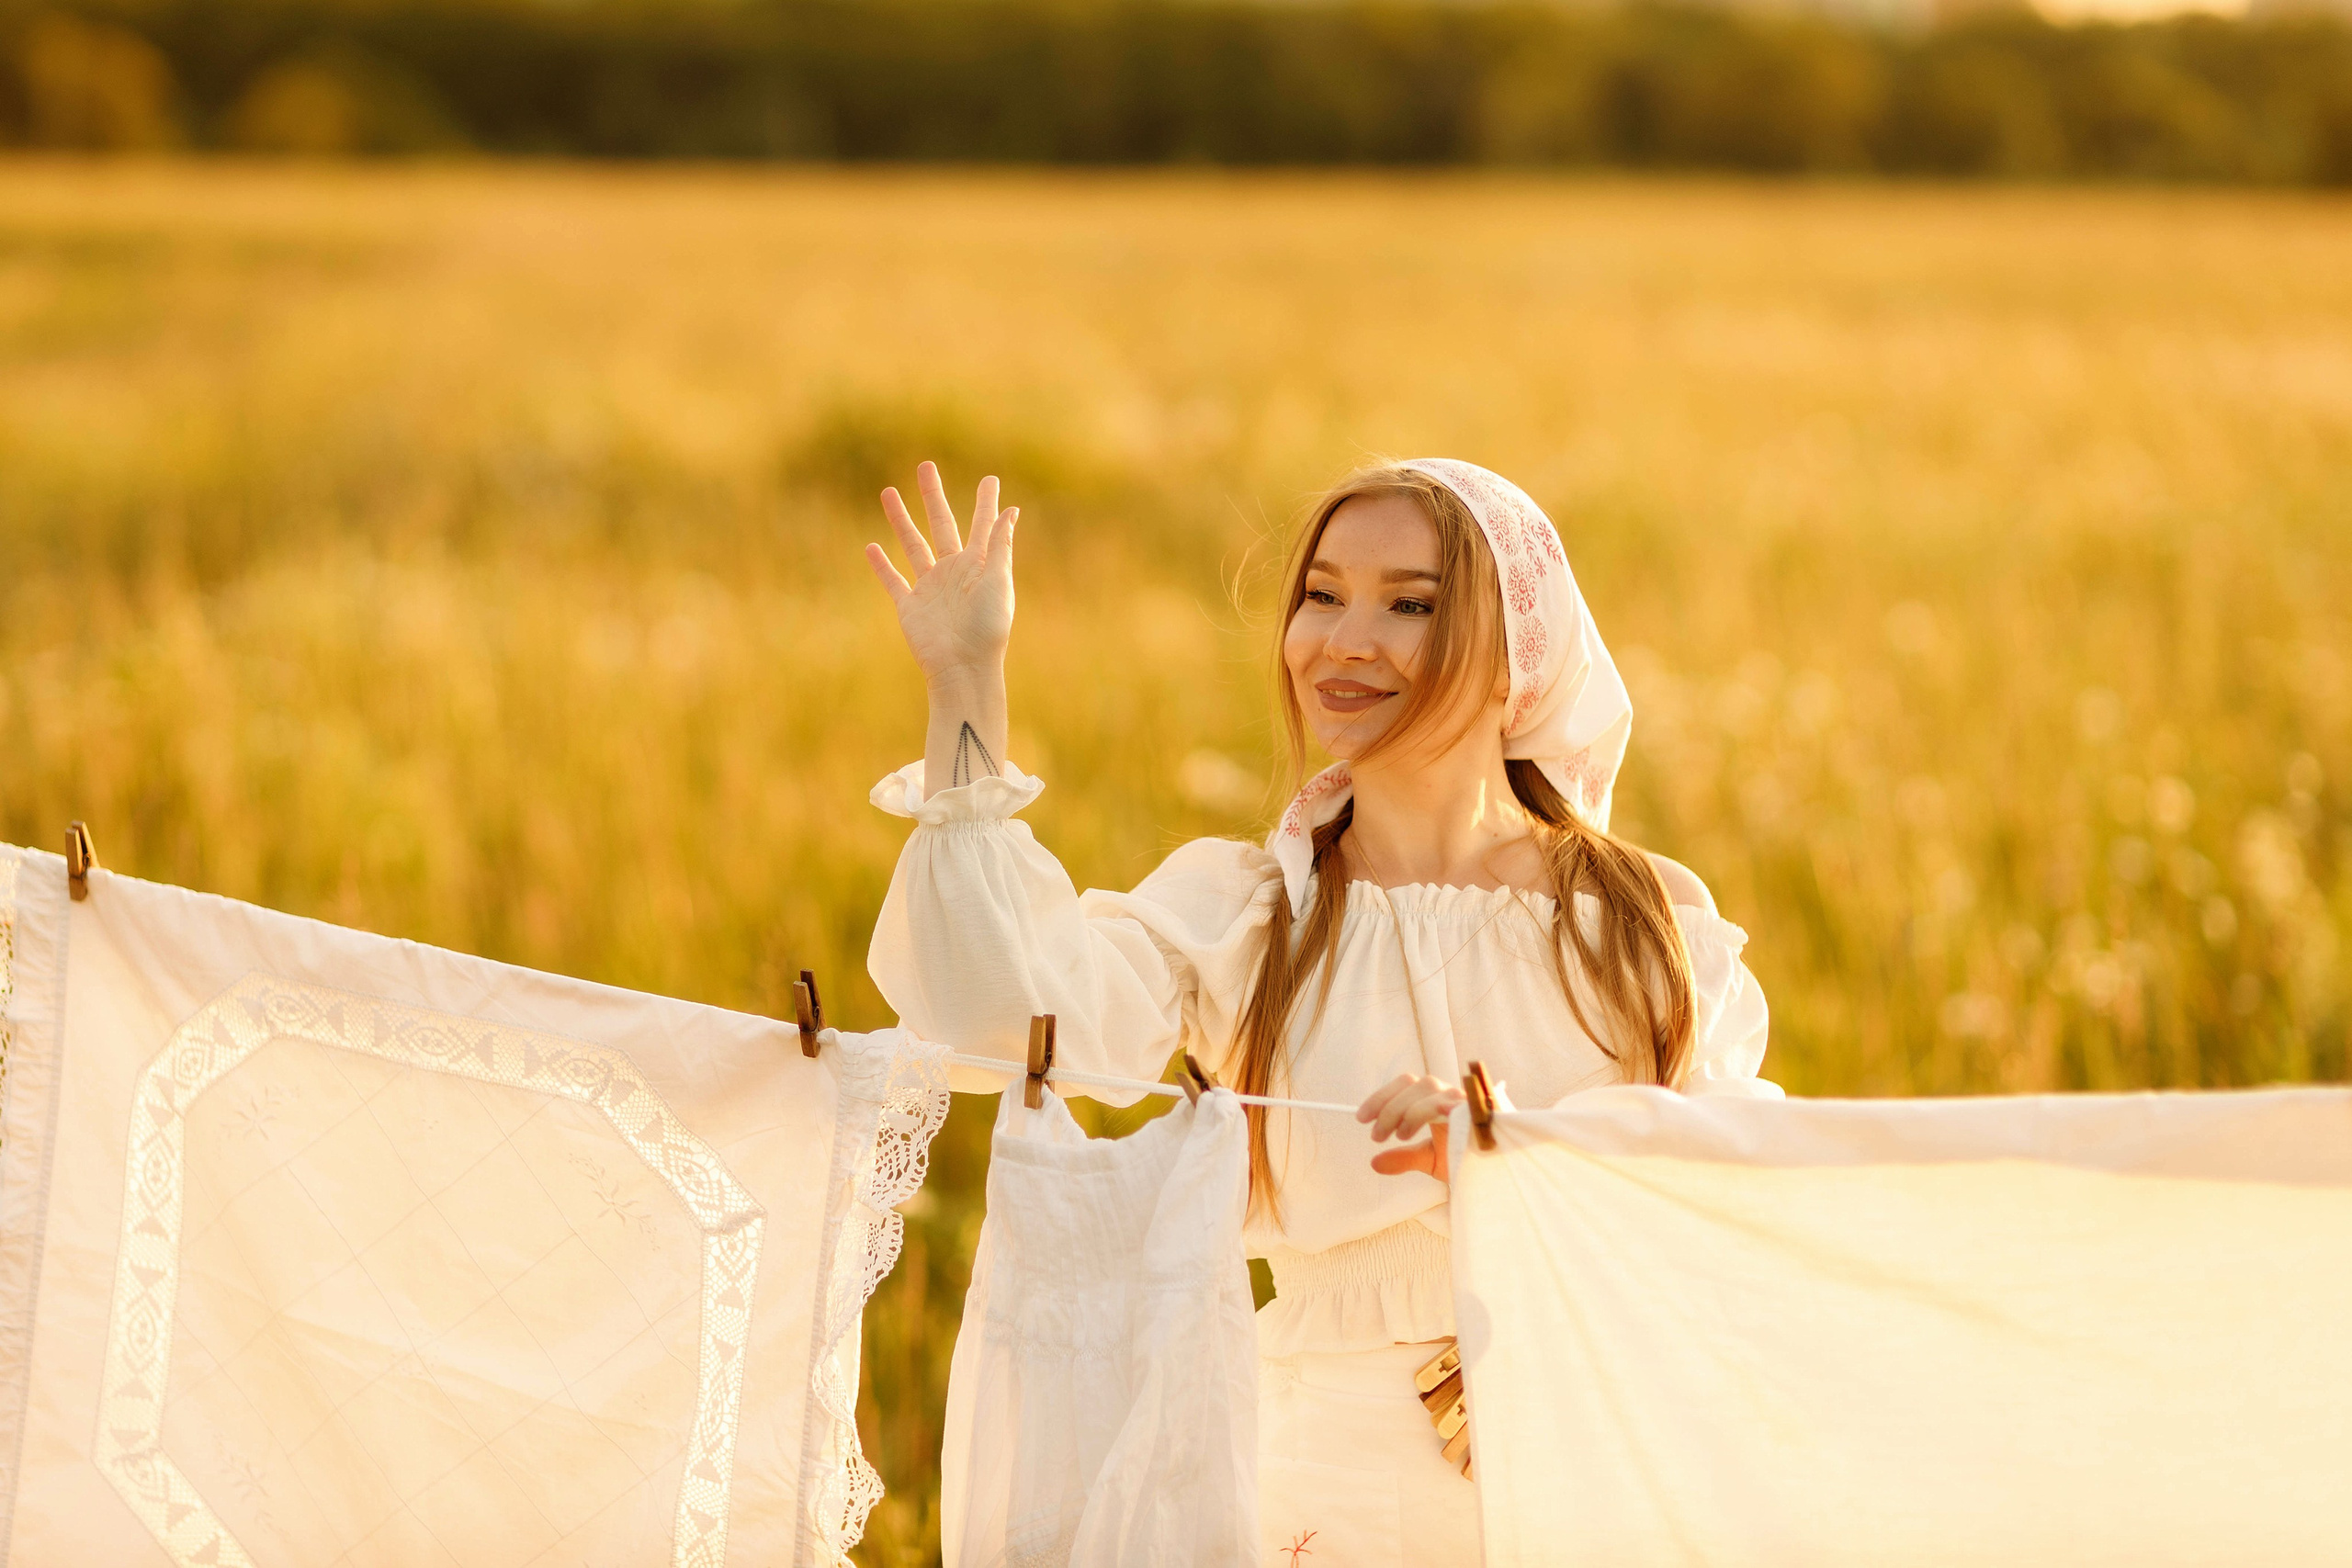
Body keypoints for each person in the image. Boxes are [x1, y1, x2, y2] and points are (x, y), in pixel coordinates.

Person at [864, 457, 1779, 1562]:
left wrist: (1517, 1166)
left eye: (1410, 605)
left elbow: (1737, 1199)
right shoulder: (1250, 914)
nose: (1344, 640)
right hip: (1330, 1485)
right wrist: (966, 679)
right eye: (1321, 594)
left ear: (1519, 656)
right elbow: (999, 1014)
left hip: (1594, 1461)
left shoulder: (1637, 921)